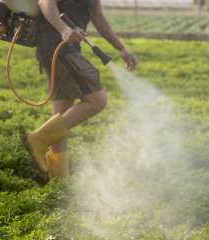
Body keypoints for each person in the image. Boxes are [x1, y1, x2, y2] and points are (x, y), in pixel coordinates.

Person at [22, 0, 137, 181]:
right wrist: (64, 29)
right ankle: (38, 139)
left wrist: (120, 48)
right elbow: (45, 1)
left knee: (62, 115)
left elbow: (98, 17)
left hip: (66, 48)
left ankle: (59, 181)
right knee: (97, 100)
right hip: (57, 47)